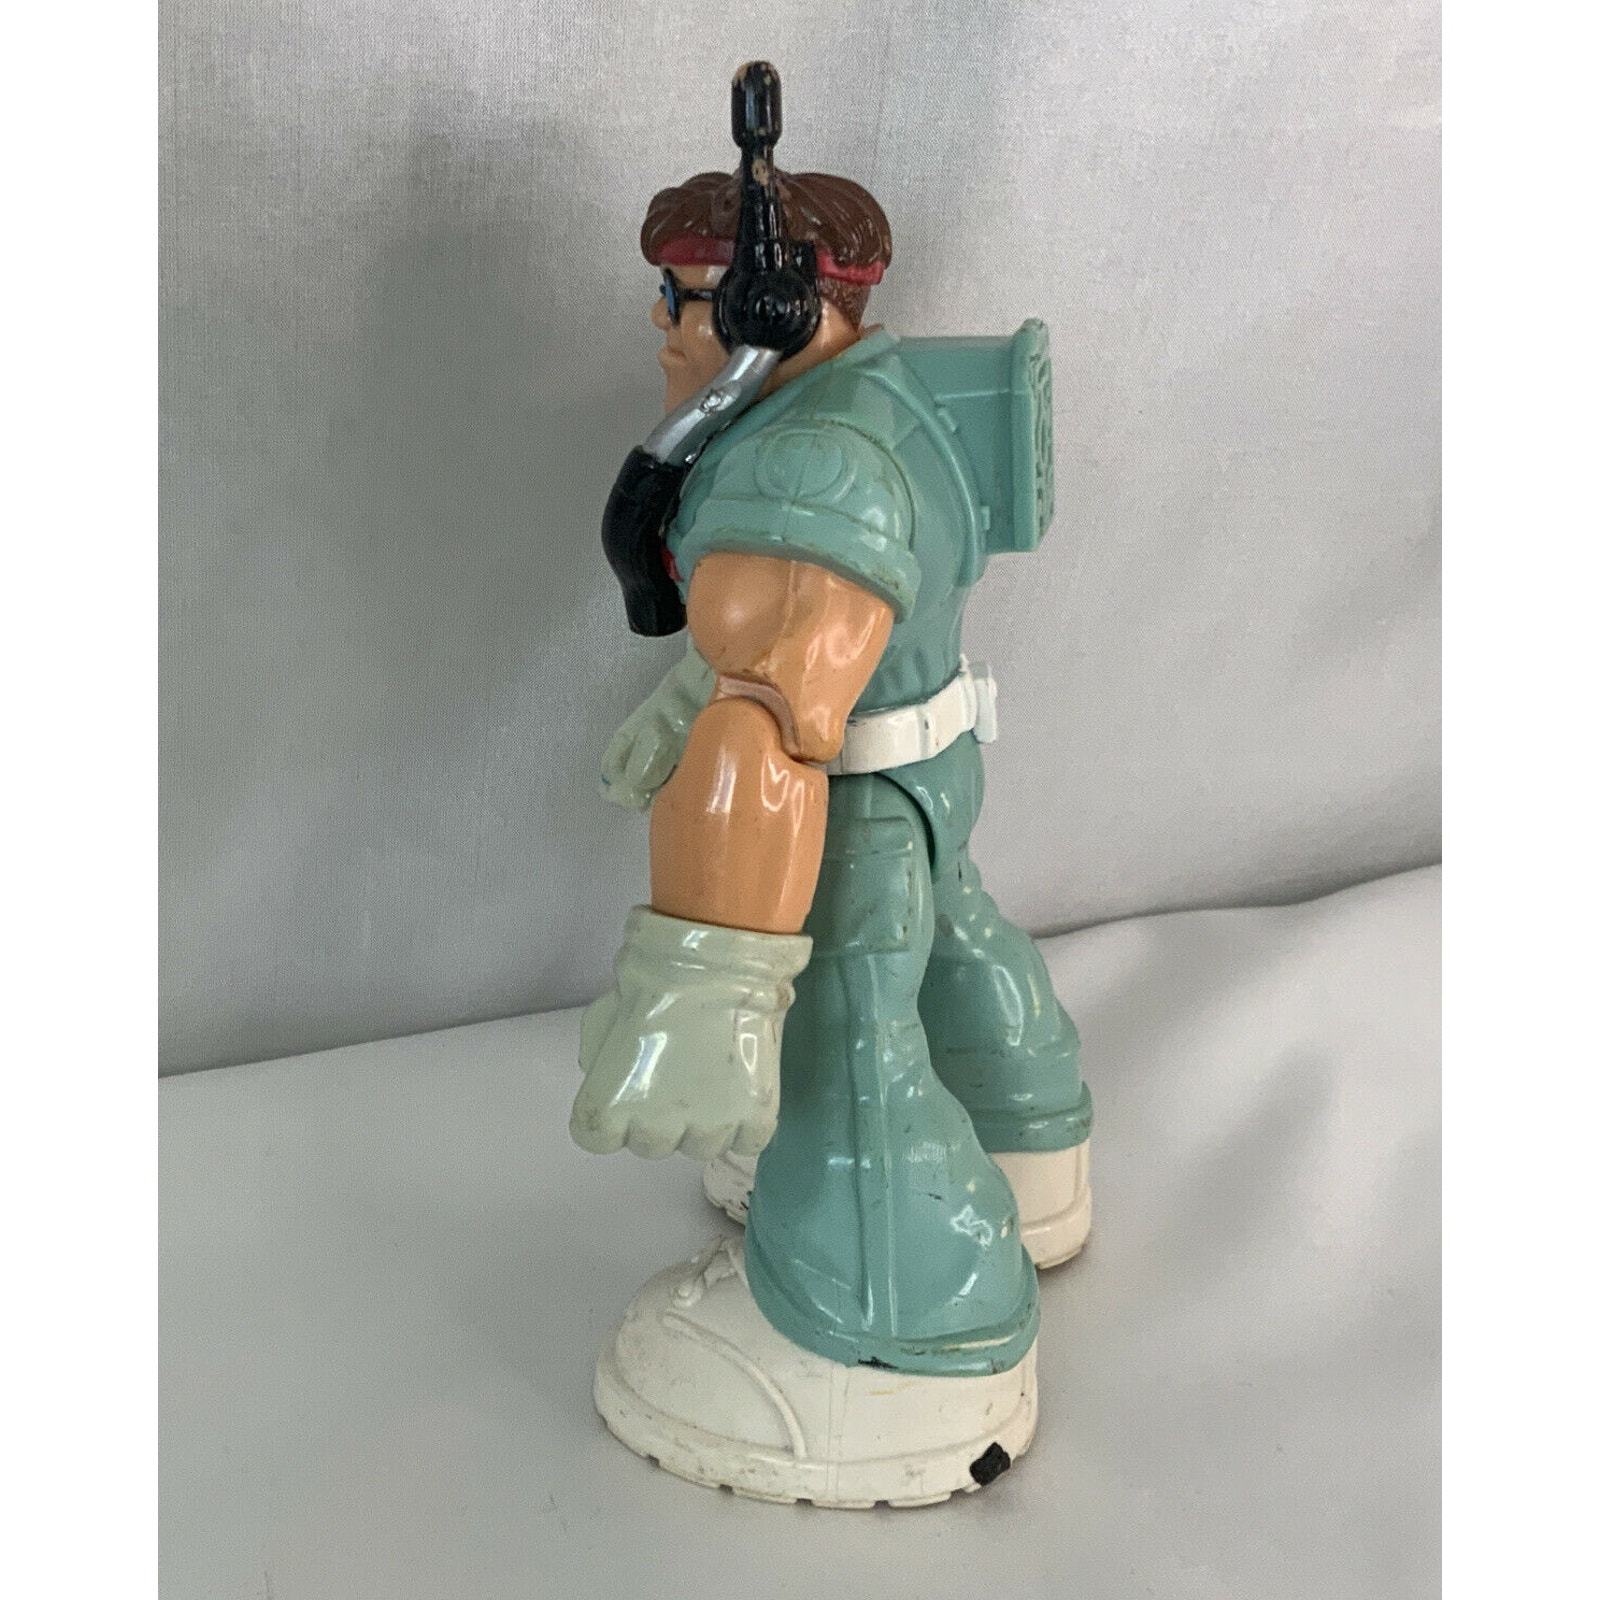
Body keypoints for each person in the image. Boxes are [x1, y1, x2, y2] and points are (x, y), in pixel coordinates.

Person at [571, 154, 1092, 1507]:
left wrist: (705, 991)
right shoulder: (884, 395)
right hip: (926, 755)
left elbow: (768, 724)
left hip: (843, 806)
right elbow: (825, 629)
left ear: (769, 308)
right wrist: (685, 693)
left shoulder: (802, 463)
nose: (663, 329)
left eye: (684, 297)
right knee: (940, 932)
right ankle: (1022, 1136)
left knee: (843, 1027)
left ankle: (895, 1327)